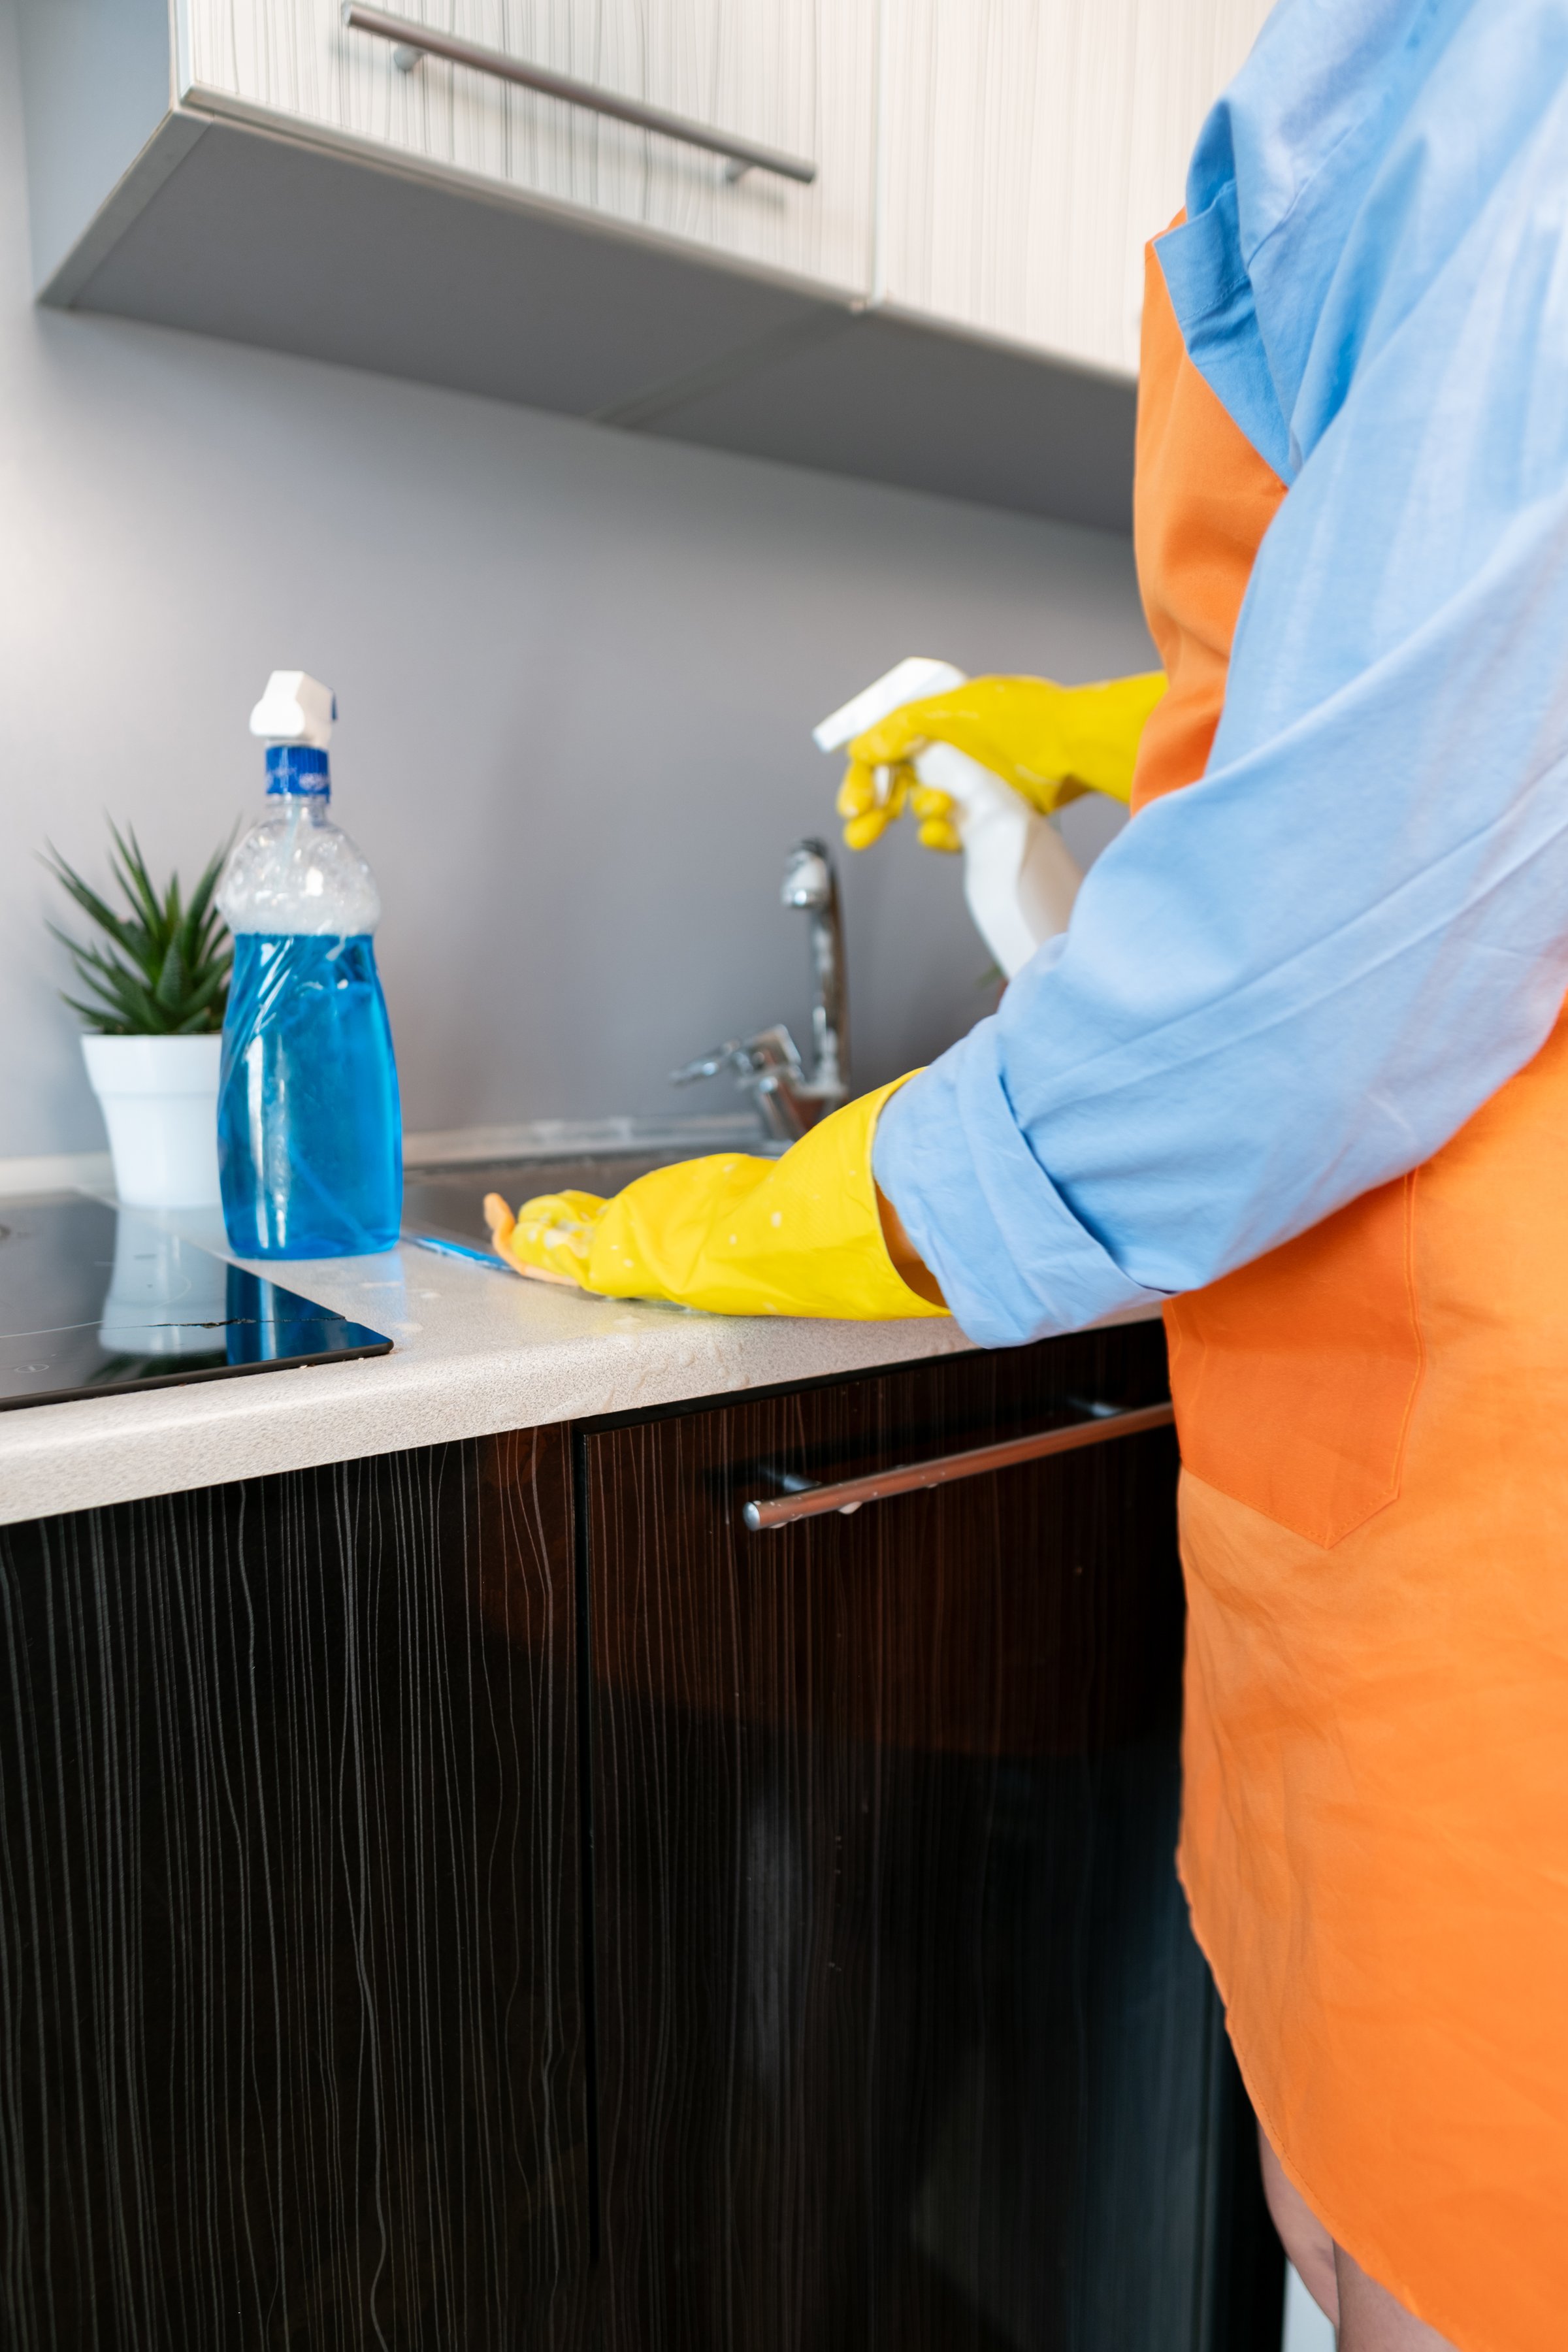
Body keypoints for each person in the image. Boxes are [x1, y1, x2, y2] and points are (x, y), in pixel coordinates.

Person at [489, 2, 1568, 2342]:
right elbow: (1457, 661)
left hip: (1507, 1508)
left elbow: (1332, 945)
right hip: (1419, 1458)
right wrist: (1115, 736)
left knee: (1441, 2244)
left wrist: (843, 1204)